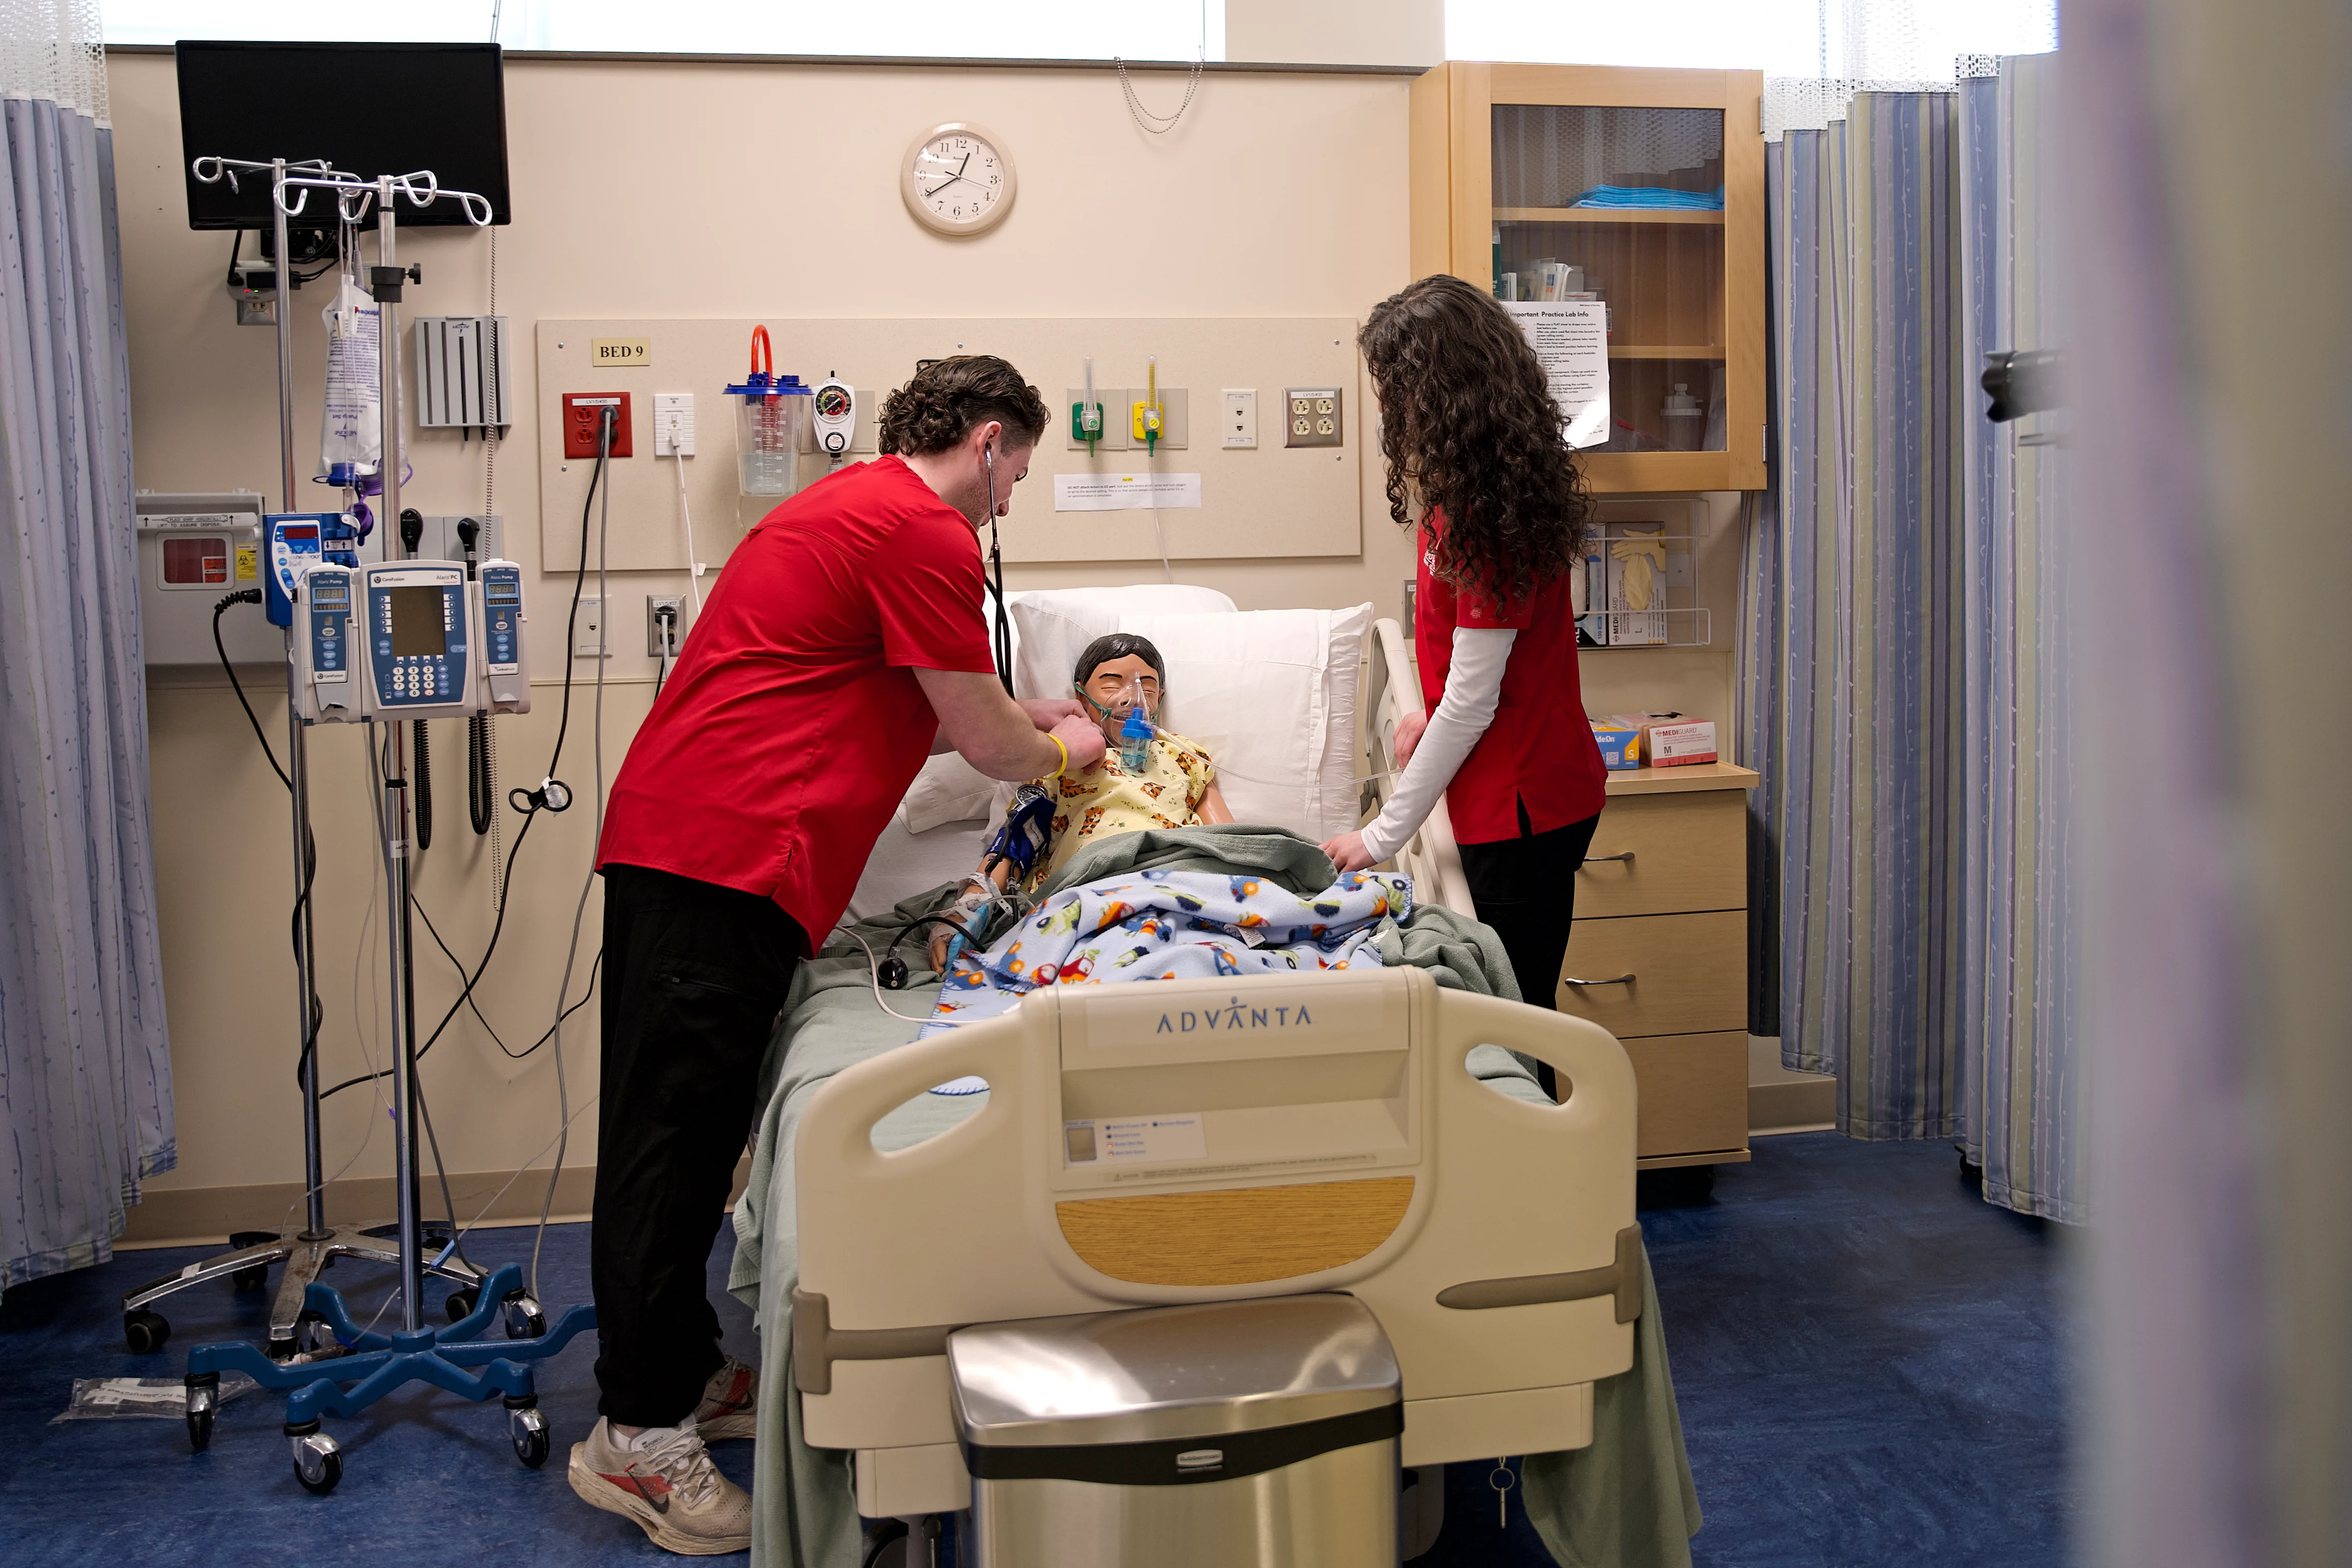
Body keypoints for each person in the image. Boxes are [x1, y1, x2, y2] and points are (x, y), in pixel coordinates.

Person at [571, 357, 1106, 1554]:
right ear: (984, 439)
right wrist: (1068, 748)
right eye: (1017, 468)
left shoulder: (850, 504)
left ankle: (675, 1366)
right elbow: (981, 733)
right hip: (722, 852)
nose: (1012, 496)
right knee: (668, 1142)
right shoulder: (923, 529)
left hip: (714, 848)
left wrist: (1032, 720)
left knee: (695, 1129)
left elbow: (943, 691)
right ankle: (634, 1435)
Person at [1320, 274, 1608, 1066]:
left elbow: (1477, 701)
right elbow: (1487, 667)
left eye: (1393, 387)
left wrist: (1379, 836)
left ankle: (1543, 1182)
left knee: (1516, 1030)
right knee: (1517, 1015)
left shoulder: (1482, 511)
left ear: (1430, 389)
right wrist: (1435, 701)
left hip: (1519, 806)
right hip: (1540, 781)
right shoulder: (1503, 483)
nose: (1389, 408)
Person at [927, 633, 1232, 969]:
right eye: (1111, 684)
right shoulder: (1058, 757)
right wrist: (966, 911)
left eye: (1146, 686)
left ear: (1159, 697)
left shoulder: (1184, 755)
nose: (1132, 699)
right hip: (1090, 886)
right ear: (1081, 697)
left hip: (1176, 877)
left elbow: (1228, 839)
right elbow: (1015, 843)